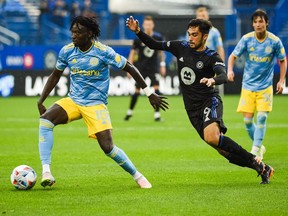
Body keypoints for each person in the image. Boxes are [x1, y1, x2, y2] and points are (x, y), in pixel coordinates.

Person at [126, 16, 274, 184]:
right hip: (191, 108)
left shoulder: (211, 56)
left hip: (209, 100)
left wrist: (213, 80)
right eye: (189, 34)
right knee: (222, 150)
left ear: (205, 36)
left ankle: (256, 160)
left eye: (194, 35)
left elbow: (223, 75)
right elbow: (154, 44)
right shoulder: (180, 47)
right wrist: (138, 31)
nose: (190, 38)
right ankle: (262, 168)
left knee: (212, 137)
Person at [37, 16, 168, 189]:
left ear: (89, 33)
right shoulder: (67, 51)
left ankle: (137, 175)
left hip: (95, 104)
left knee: (108, 147)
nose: (74, 36)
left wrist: (149, 92)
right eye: (73, 32)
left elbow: (129, 66)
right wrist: (41, 100)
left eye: (78, 32)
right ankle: (46, 172)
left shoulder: (103, 51)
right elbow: (55, 75)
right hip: (74, 100)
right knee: (46, 120)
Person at [227, 9, 287, 160]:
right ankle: (259, 145)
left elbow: (282, 60)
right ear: (253, 24)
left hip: (265, 87)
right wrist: (229, 70)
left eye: (261, 21)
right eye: (255, 22)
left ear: (267, 23)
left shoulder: (274, 41)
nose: (258, 24)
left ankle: (255, 150)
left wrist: (281, 80)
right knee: (248, 121)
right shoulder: (247, 39)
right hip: (248, 86)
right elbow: (232, 56)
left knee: (261, 118)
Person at [124, 16, 166, 121]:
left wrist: (162, 65)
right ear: (143, 25)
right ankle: (129, 112)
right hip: (141, 68)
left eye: (149, 24)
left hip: (154, 67)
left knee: (157, 90)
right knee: (137, 91)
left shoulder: (158, 37)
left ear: (153, 25)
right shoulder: (138, 39)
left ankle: (157, 115)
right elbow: (132, 53)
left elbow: (161, 52)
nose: (148, 26)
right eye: (146, 24)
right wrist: (129, 68)